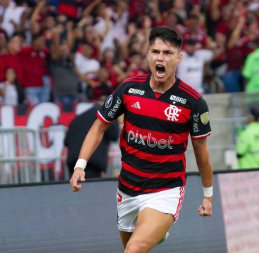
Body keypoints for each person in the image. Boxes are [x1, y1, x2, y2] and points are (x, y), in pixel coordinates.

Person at [69, 26, 213, 253]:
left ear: (179, 58)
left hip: (165, 190)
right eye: (155, 52)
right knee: (132, 248)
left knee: (133, 249)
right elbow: (99, 127)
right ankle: (155, 232)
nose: (160, 58)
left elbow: (201, 152)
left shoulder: (192, 102)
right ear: (148, 54)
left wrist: (208, 195)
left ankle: (159, 224)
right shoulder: (129, 88)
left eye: (167, 53)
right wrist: (80, 165)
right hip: (127, 188)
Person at [64, 103, 119, 178]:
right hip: (93, 161)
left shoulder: (77, 118)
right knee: (92, 187)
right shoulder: (107, 116)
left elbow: (66, 141)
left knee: (76, 186)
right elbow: (114, 135)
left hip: (74, 162)